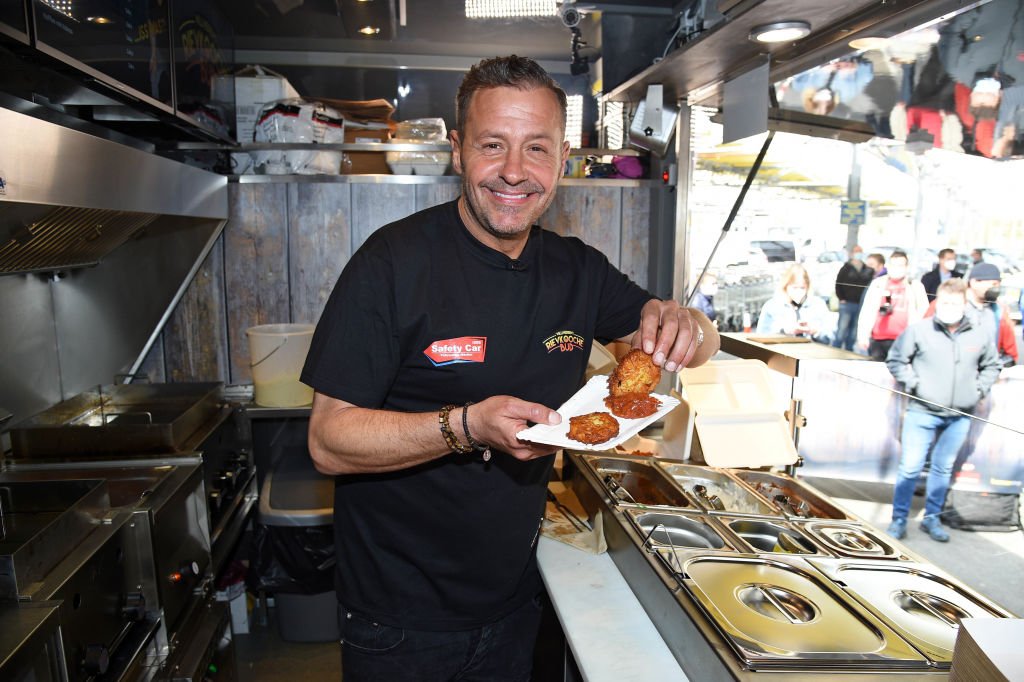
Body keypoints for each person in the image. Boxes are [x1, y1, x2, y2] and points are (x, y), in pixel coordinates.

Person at [300, 55, 720, 682]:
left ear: (564, 158)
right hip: (401, 619)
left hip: (520, 595)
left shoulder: (578, 270)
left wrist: (693, 326)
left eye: (537, 149)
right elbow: (328, 441)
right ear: (457, 149)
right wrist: (466, 426)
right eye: (493, 145)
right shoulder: (392, 263)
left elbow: (679, 336)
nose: (515, 172)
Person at [885, 279, 1002, 542]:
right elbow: (895, 360)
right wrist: (916, 385)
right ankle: (899, 519)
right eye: (945, 302)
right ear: (938, 302)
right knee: (910, 468)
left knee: (942, 469)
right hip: (921, 412)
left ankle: (931, 519)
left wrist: (978, 390)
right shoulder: (920, 331)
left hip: (959, 416)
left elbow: (992, 365)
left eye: (955, 303)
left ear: (964, 304)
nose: (950, 307)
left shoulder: (979, 333)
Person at [856, 250, 928, 360]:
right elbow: (867, 310)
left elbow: (924, 313)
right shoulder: (878, 284)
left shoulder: (915, 286)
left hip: (904, 341)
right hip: (878, 340)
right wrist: (862, 336)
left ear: (906, 267)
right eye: (893, 265)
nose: (896, 268)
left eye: (900, 265)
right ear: (888, 266)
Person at [755, 264, 832, 344]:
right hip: (782, 353)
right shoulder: (772, 306)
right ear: (785, 286)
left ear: (807, 287)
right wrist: (784, 331)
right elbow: (761, 337)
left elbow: (830, 337)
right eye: (794, 287)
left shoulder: (818, 304)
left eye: (802, 287)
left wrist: (815, 332)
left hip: (812, 353)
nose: (799, 291)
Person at [964, 262, 1018, 366]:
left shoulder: (999, 311)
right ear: (974, 282)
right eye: (993, 284)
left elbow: (1011, 353)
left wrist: (992, 368)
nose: (996, 288)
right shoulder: (949, 304)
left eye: (998, 284)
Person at [832, 246, 874, 351]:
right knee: (842, 329)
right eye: (856, 252)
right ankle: (835, 349)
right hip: (847, 303)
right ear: (852, 253)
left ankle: (848, 351)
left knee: (853, 331)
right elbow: (838, 284)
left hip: (859, 304)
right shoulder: (846, 268)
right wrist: (841, 298)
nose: (858, 254)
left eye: (860, 252)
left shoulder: (866, 269)